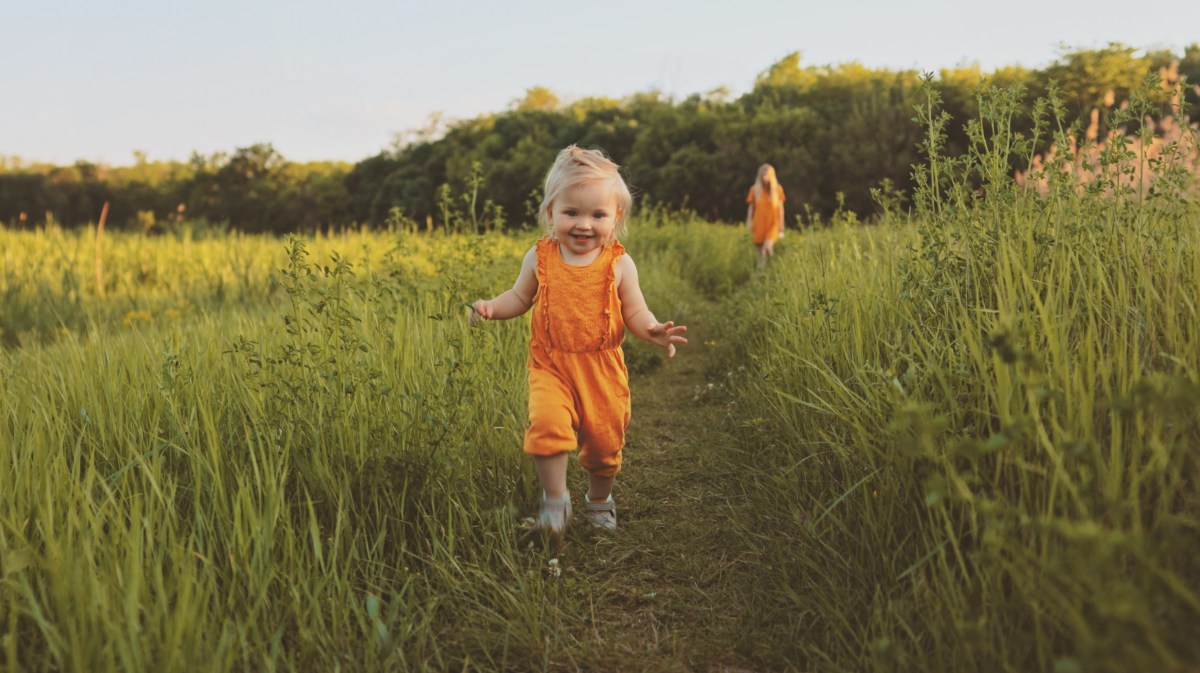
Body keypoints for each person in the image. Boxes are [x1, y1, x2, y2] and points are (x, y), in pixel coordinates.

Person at [470, 145, 687, 538]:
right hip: (550, 364)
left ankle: (599, 499)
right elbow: (519, 298)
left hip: (601, 368)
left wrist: (652, 328)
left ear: (616, 217)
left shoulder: (619, 263)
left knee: (604, 444)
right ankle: (556, 501)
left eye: (597, 214)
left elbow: (635, 310)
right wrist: (490, 307)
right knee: (547, 425)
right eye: (572, 212)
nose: (584, 224)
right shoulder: (539, 257)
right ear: (550, 212)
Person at [745, 163, 786, 268]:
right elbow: (751, 208)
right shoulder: (754, 190)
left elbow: (780, 209)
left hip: (773, 224)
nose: (764, 177)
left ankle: (772, 267)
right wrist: (749, 222)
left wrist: (781, 226)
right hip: (759, 224)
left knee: (767, 247)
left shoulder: (778, 189)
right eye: (762, 174)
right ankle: (763, 273)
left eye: (766, 174)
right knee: (760, 252)